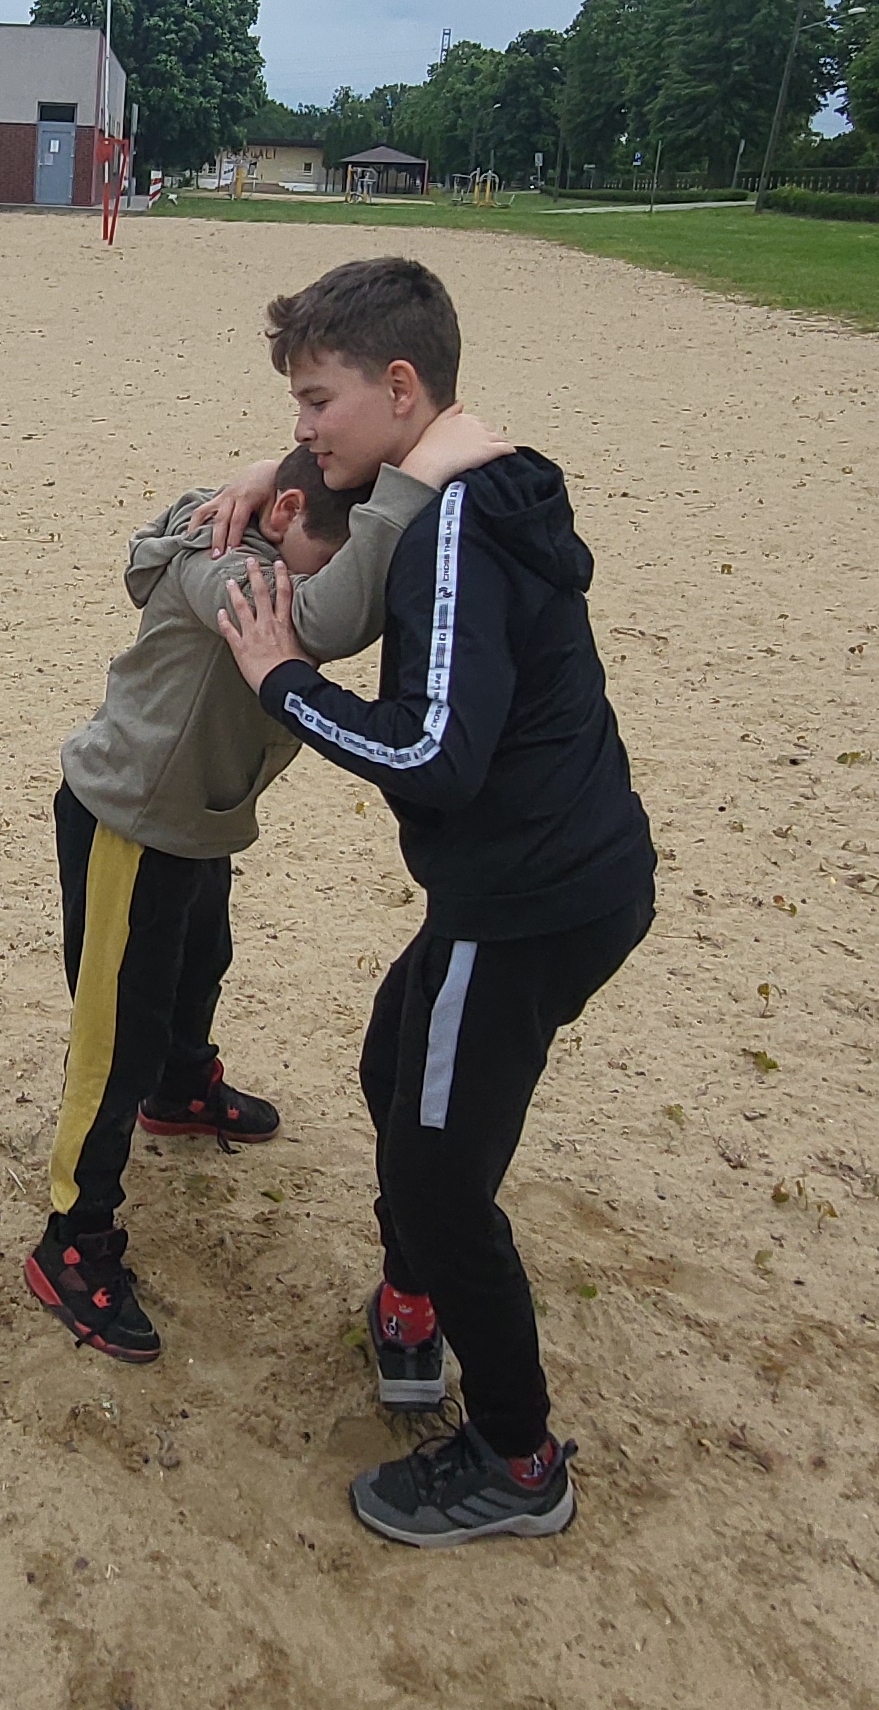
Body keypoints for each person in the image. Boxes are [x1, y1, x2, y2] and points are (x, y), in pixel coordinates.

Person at [212, 255, 656, 1549]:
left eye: (317, 400)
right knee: (389, 1060)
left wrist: (283, 678)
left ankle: (519, 1459)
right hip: (563, 876)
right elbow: (348, 483)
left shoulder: (452, 532)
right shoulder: (482, 475)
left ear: (399, 388)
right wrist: (262, 473)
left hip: (525, 900)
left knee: (440, 1177)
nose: (303, 427)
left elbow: (433, 754)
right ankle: (411, 1304)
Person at [33, 413, 510, 1363]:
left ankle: (181, 1089)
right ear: (286, 512)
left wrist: (284, 473)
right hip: (130, 823)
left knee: (200, 962)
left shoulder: (273, 524)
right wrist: (410, 488)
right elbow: (323, 621)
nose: (328, 584)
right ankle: (70, 1241)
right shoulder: (227, 568)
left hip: (195, 822)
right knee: (114, 1039)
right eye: (330, 563)